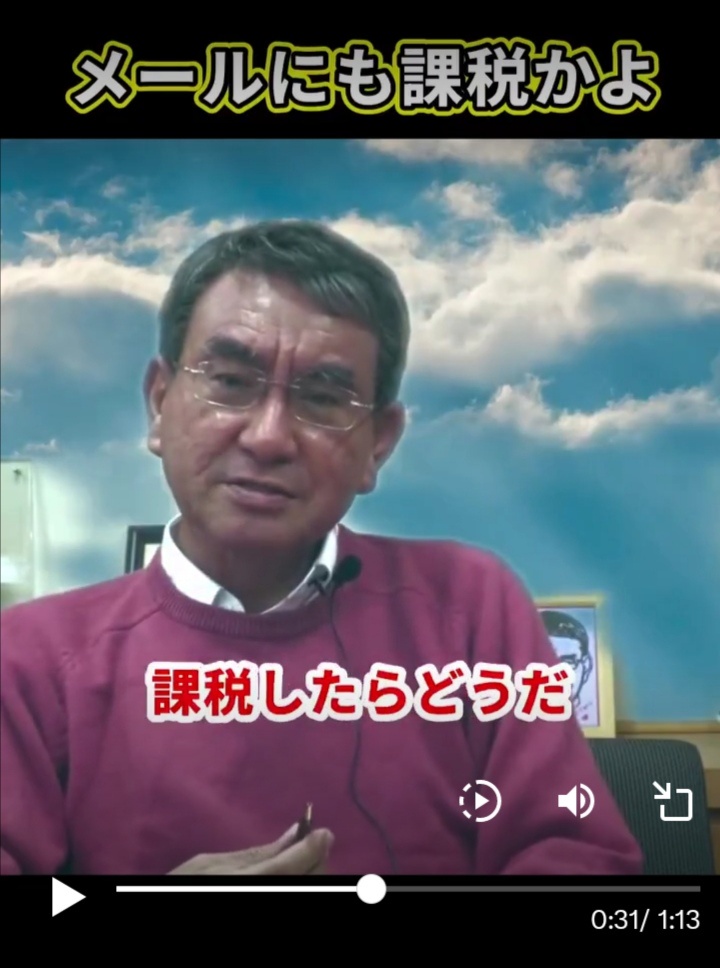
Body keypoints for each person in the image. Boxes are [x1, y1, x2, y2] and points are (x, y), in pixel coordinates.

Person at [0, 220, 643, 877]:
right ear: (159, 404)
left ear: (378, 445)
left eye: (324, 398)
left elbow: (578, 858)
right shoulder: (28, 659)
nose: (268, 437)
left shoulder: (469, 608)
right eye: (231, 381)